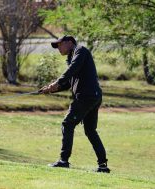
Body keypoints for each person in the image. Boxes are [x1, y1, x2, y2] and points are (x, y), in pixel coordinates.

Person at [38, 35, 110, 173]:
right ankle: (103, 166)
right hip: (93, 96)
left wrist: (56, 83)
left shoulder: (80, 51)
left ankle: (63, 160)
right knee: (90, 131)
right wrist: (51, 89)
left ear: (69, 42)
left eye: (60, 45)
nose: (58, 48)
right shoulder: (71, 57)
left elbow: (72, 69)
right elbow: (69, 83)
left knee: (68, 123)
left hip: (86, 97)